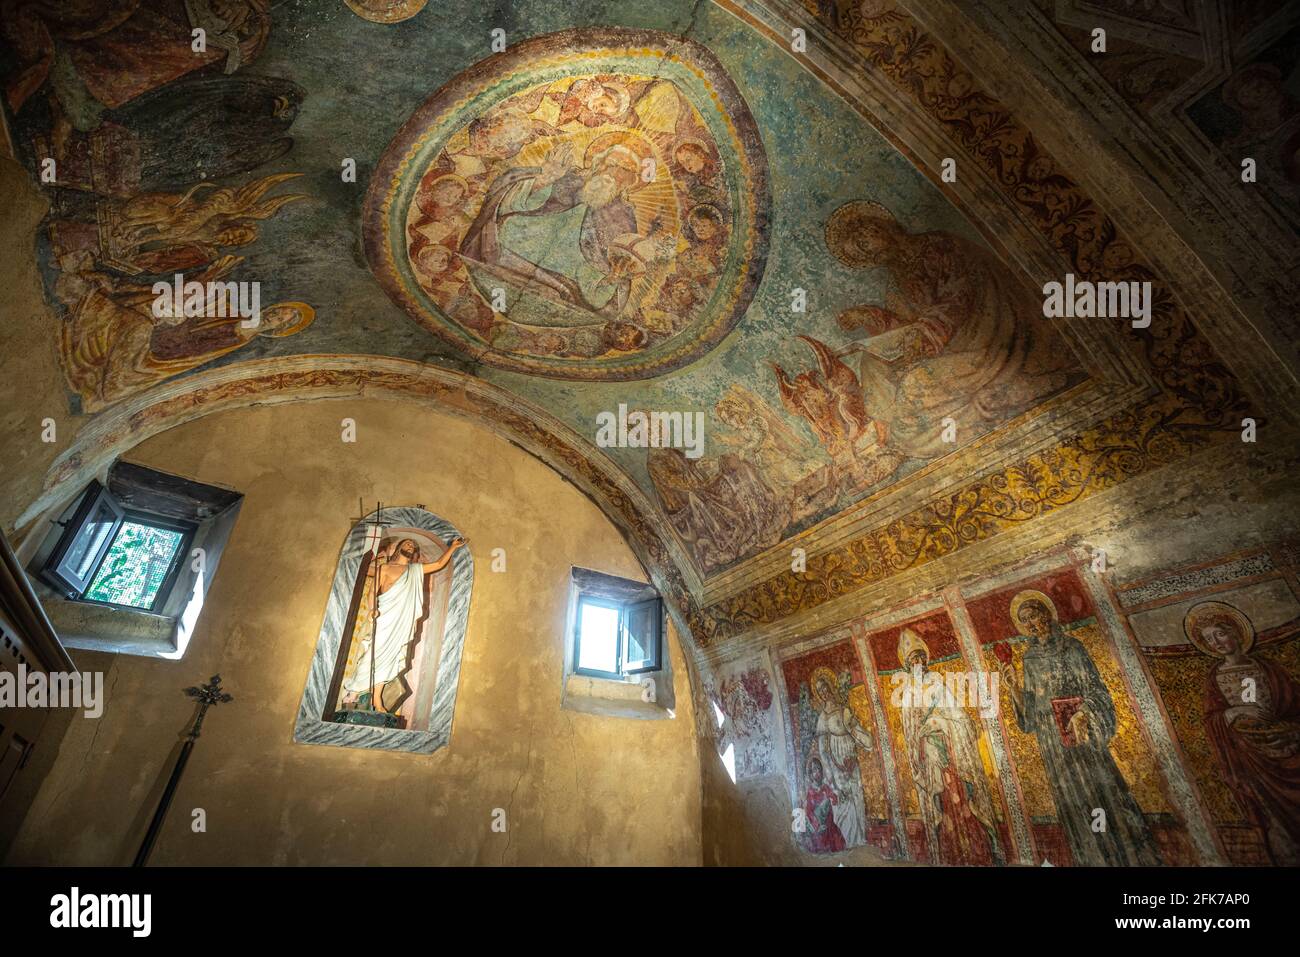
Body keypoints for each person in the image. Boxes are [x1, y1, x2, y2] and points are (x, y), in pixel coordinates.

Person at [997, 590, 1160, 865]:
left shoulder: (1072, 648)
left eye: (1034, 615)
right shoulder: (1029, 659)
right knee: (1071, 799)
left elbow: (1097, 690)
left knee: (1100, 792)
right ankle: (1091, 858)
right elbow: (1031, 716)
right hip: (1052, 743)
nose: (1030, 624)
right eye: (1024, 621)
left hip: (1080, 733)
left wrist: (1083, 713)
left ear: (1047, 615)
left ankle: (1126, 857)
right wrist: (1013, 688)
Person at [1189, 601, 1300, 865]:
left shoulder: (1269, 668)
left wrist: (1291, 731)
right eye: (1209, 639)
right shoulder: (1215, 677)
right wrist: (1236, 711)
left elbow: (1294, 704)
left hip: (1288, 747)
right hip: (1249, 756)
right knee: (1270, 816)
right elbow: (1211, 719)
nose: (1216, 642)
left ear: (1237, 632)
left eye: (1220, 633)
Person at [342, 537, 467, 712]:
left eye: (413, 546)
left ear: (414, 553)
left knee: (391, 658)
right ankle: (353, 690)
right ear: (398, 548)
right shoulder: (384, 568)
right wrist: (372, 610)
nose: (411, 545)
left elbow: (438, 564)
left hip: (404, 620)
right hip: (385, 616)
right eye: (407, 543)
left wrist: (452, 547)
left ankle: (377, 700)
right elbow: (372, 592)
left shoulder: (415, 570)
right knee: (375, 653)